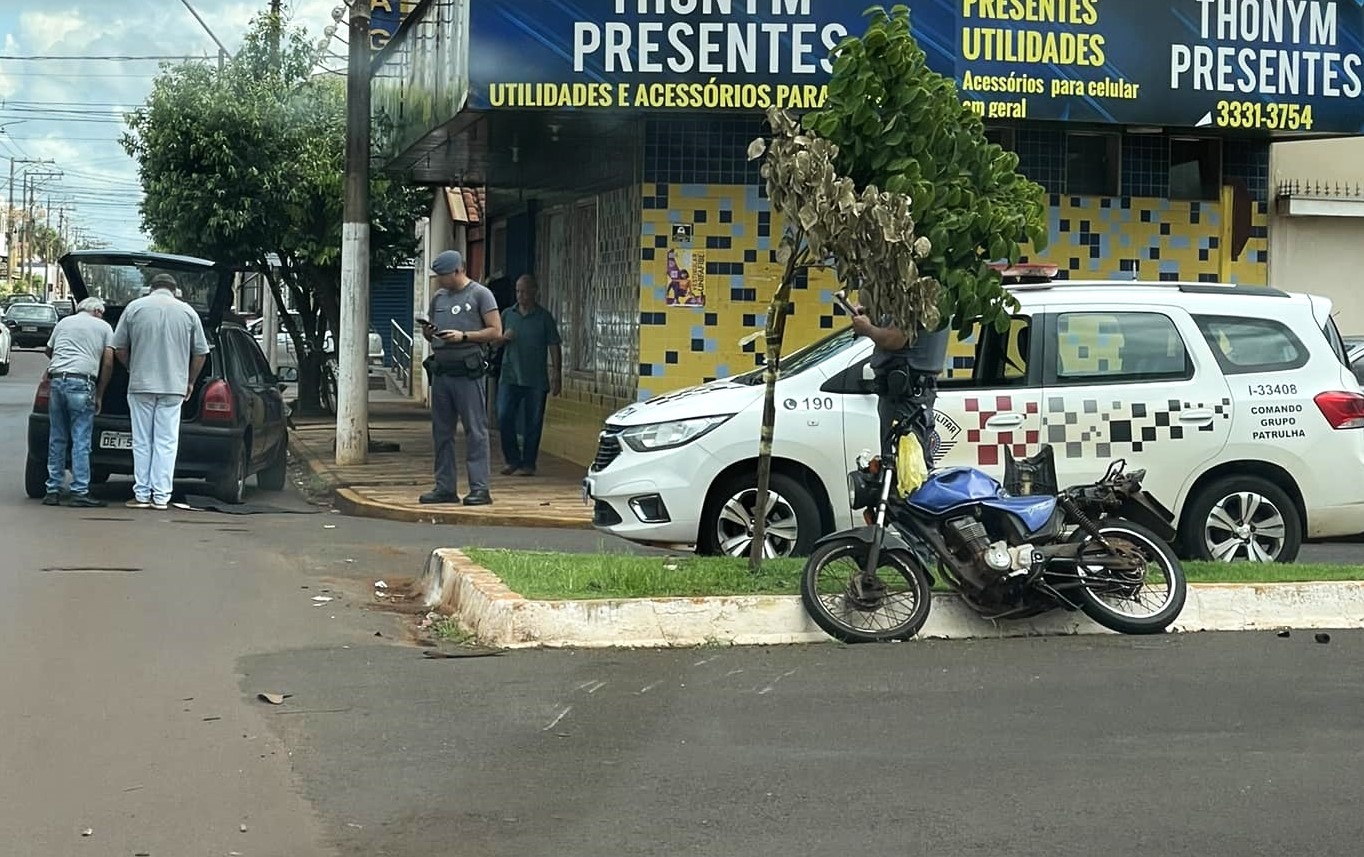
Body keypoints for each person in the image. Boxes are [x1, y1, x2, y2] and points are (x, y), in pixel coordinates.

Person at [112, 272, 210, 511]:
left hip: (141, 384)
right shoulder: (188, 312)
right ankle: (162, 497)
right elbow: (201, 353)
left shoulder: (135, 308)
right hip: (173, 386)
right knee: (166, 441)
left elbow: (119, 347)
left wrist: (132, 367)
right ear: (175, 290)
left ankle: (142, 494)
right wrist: (189, 381)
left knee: (142, 441)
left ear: (150, 289)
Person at [419, 250, 502, 506]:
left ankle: (480, 488)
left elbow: (495, 331)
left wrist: (464, 336)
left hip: (468, 371)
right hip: (442, 371)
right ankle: (445, 486)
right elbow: (430, 337)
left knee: (475, 431)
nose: (441, 280)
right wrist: (428, 332)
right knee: (441, 432)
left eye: (444, 275)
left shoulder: (480, 294)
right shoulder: (439, 298)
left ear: (458, 270)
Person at [850, 305, 950, 470]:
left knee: (906, 468)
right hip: (906, 392)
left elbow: (894, 339)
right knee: (904, 465)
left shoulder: (915, 294)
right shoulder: (926, 293)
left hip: (905, 394)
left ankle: (907, 496)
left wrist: (867, 329)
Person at [41, 296, 115, 508]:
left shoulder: (64, 322)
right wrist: (100, 393)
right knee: (81, 439)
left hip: (57, 381)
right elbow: (109, 362)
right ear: (98, 311)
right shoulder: (103, 327)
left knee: (57, 438)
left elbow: (49, 350)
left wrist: (62, 363)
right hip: (82, 384)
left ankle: (53, 490)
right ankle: (79, 491)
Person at [497, 274, 562, 477]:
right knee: (504, 416)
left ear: (534, 291)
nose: (520, 295)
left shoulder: (544, 317)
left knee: (533, 422)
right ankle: (512, 459)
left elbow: (554, 345)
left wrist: (556, 373)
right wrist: (502, 338)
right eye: (517, 291)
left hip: (535, 378)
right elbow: (492, 341)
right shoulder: (508, 314)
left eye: (524, 291)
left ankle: (528, 463)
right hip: (509, 376)